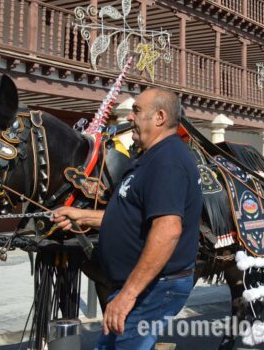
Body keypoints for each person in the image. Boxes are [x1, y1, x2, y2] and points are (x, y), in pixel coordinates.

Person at [53, 87, 202, 350]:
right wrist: (83, 216)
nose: (129, 118)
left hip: (153, 288)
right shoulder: (149, 158)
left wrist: (127, 295)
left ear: (159, 117)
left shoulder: (168, 160)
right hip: (139, 287)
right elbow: (131, 217)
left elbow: (168, 229)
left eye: (136, 111)